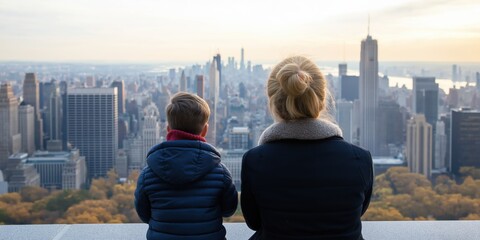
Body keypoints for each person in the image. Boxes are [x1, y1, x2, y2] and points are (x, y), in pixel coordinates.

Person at [241, 56, 373, 240]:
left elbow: (254, 222)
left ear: (273, 102)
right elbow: (355, 213)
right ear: (322, 98)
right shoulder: (360, 159)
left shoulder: (255, 160)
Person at [135, 92, 238, 240]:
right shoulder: (220, 173)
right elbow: (229, 210)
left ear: (168, 129)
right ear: (205, 130)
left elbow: (144, 214)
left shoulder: (148, 175)